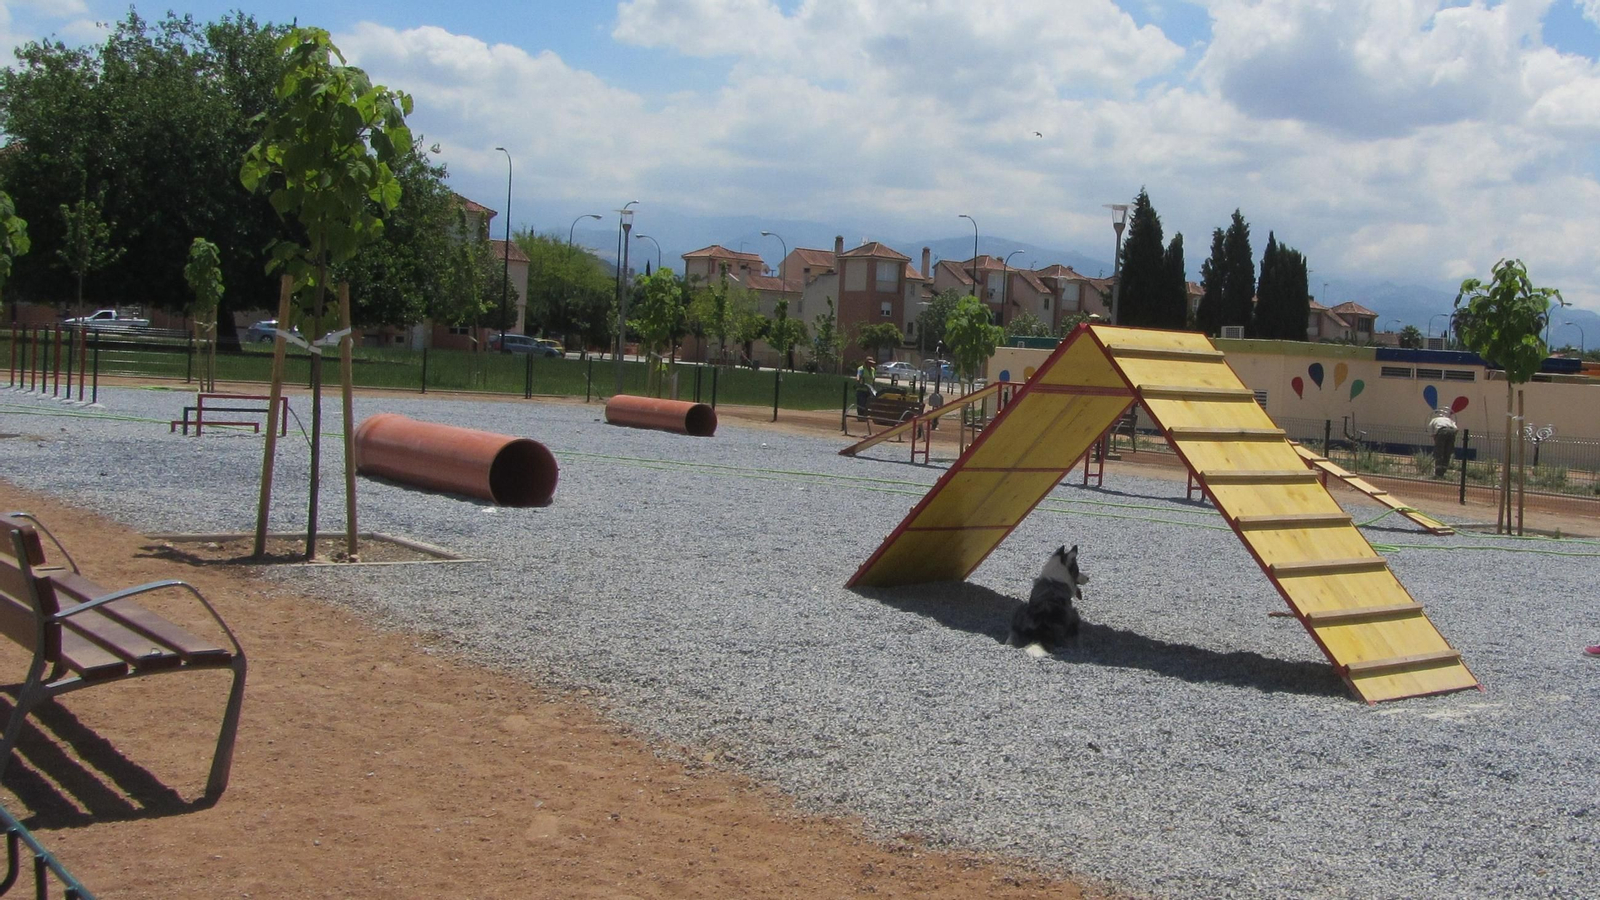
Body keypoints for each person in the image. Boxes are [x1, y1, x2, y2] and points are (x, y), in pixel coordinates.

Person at [1427, 407, 1458, 478]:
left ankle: (1438, 473)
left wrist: (1436, 439)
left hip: (1441, 432)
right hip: (1451, 432)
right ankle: (1443, 471)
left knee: (1439, 452)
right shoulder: (1449, 420)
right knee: (1447, 452)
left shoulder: (1434, 420)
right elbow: (1456, 429)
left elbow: (1432, 433)